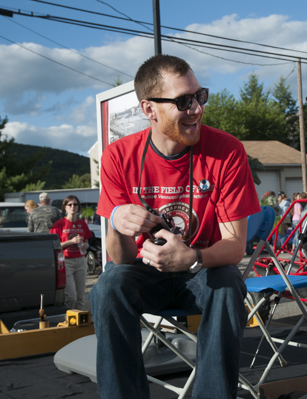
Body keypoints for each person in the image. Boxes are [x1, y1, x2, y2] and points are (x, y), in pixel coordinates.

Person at [89, 54, 260, 399]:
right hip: (145, 270)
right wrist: (118, 224)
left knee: (228, 283)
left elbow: (235, 246)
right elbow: (121, 260)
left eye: (200, 96)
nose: (196, 108)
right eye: (183, 101)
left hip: (202, 268)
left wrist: (193, 258)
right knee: (108, 286)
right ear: (149, 109)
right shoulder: (119, 156)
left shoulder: (226, 151)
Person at [49, 195, 91, 310]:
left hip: (81, 261)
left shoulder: (82, 224)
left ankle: (79, 324)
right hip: (66, 262)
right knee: (71, 297)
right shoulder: (59, 224)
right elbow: (55, 246)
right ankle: (68, 320)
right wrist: (70, 242)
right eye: (70, 205)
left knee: (80, 298)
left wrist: (84, 245)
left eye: (75, 204)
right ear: (65, 208)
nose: (73, 207)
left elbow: (87, 242)